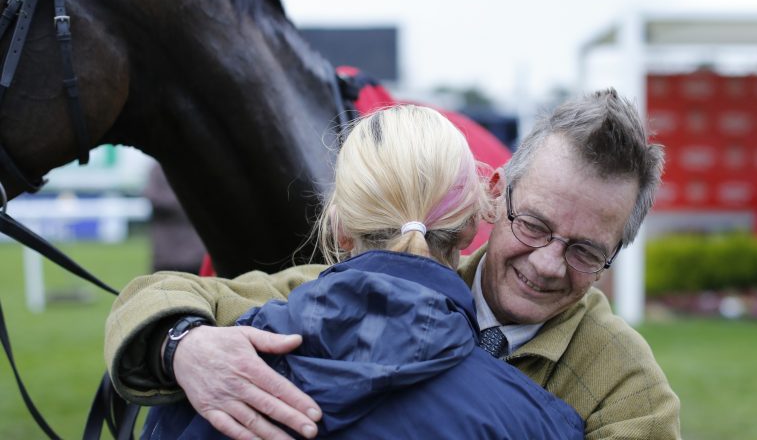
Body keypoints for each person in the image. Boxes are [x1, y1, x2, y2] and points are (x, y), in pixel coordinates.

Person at [106, 89, 681, 440]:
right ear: (496, 193)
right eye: (534, 226)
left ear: (616, 253)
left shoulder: (627, 388)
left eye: (586, 252)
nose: (551, 264)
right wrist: (183, 345)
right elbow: (152, 294)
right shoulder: (341, 296)